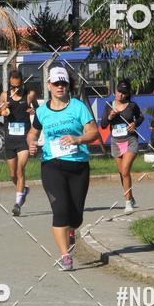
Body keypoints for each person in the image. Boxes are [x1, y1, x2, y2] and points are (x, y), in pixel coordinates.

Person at [27, 65, 99, 271]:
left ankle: (71, 232)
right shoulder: (41, 112)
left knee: (76, 217)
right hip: (52, 166)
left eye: (63, 83)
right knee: (60, 211)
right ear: (49, 85)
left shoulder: (78, 107)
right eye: (56, 83)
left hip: (78, 166)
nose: (60, 86)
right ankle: (65, 256)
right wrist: (31, 143)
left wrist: (78, 139)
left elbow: (93, 132)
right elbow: (32, 133)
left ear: (68, 85)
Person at [0, 69, 37, 216]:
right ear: (9, 84)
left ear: (22, 84)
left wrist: (33, 111)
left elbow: (39, 111)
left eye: (17, 87)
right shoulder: (4, 95)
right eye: (12, 87)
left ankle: (17, 204)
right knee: (13, 173)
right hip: (10, 139)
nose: (15, 89)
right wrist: (3, 109)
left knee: (20, 170)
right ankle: (23, 190)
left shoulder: (29, 95)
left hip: (24, 139)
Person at [100, 78, 143, 213]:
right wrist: (110, 117)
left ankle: (128, 203)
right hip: (116, 142)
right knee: (122, 173)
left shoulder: (132, 106)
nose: (121, 95)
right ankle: (130, 196)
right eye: (119, 92)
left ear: (128, 94)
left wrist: (135, 124)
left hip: (130, 140)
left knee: (125, 171)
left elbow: (140, 117)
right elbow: (103, 125)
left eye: (124, 93)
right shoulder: (109, 105)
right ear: (115, 91)